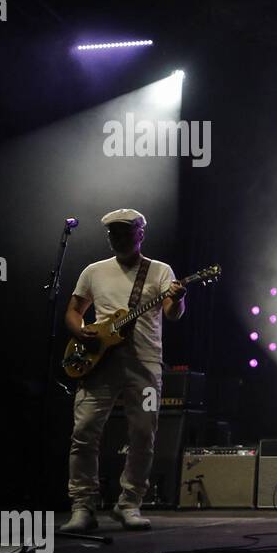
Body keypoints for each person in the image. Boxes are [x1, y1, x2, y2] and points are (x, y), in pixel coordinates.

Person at [60, 209, 185, 532]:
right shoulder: (94, 271)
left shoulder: (159, 271)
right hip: (99, 362)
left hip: (144, 364)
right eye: (113, 234)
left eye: (125, 233)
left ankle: (129, 503)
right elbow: (74, 310)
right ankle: (83, 506)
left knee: (143, 433)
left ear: (140, 234)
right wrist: (79, 331)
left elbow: (172, 314)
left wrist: (178, 299)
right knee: (84, 431)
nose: (118, 239)